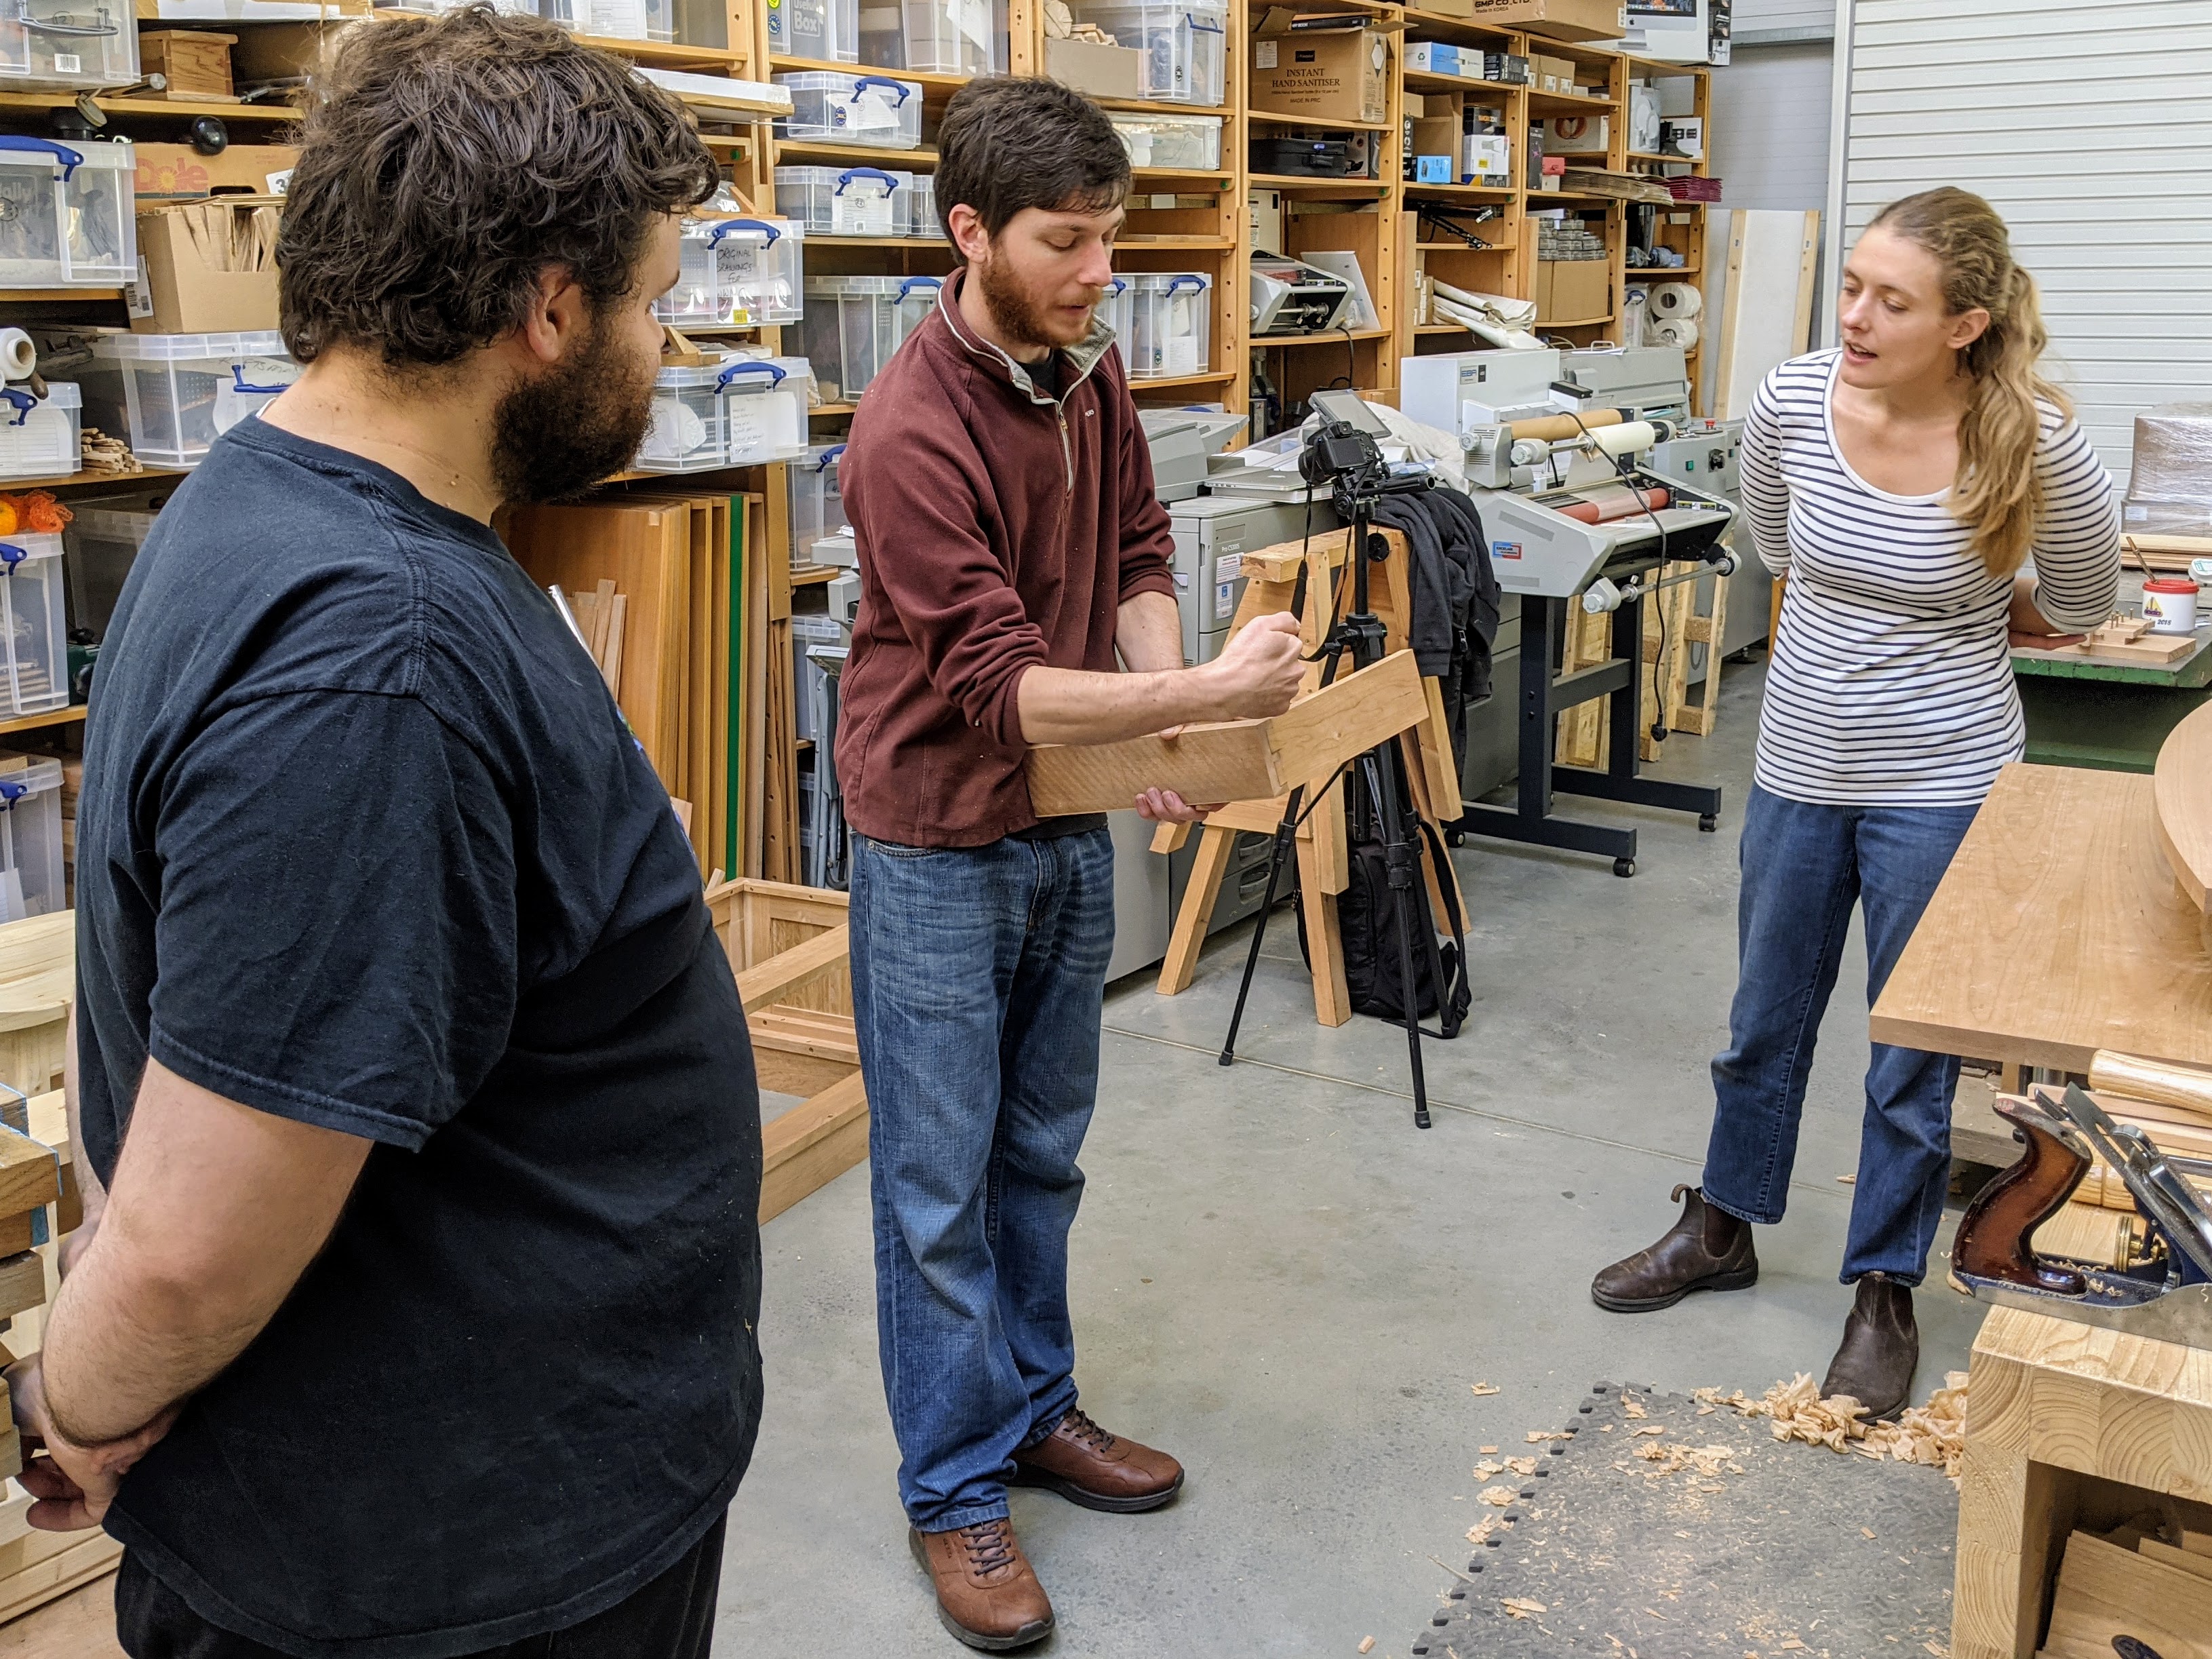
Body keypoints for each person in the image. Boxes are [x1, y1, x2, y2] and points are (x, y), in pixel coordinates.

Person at [12, 12, 763, 1656]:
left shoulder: (262, 496)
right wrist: (66, 1402)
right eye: (653, 301)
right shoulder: (377, 656)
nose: (667, 345)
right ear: (548, 312)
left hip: (447, 1509)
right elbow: (192, 1250)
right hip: (445, 1568)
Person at [834, 76, 1305, 1652]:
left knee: (1041, 1152)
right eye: (1064, 241)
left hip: (1060, 818)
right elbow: (998, 687)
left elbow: (1137, 553)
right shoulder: (908, 427)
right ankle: (953, 1487)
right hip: (935, 835)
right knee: (935, 1189)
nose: (1098, 272)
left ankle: (1035, 1408)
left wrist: (1164, 719)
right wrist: (1207, 692)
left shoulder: (1082, 372)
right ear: (969, 232)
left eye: (1109, 237)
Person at [1589, 187, 2120, 1418]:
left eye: (1891, 300)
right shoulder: (1791, 401)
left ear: (1965, 324)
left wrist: (1975, 603)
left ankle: (1882, 1285)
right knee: (1761, 1018)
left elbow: (2082, 596)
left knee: (1908, 1056)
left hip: (1944, 777)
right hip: (1798, 762)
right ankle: (1721, 1224)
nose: (1855, 317)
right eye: (1851, 287)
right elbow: (1778, 545)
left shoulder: (2034, 440)